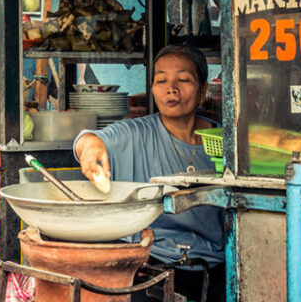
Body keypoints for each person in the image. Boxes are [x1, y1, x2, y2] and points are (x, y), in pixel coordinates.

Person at [73, 44, 225, 301]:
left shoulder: (223, 140)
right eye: (161, 80)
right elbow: (88, 139)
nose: (171, 88)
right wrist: (89, 147)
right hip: (153, 264)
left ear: (203, 90)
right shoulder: (135, 133)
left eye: (184, 79)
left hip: (214, 266)